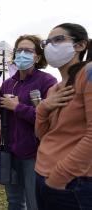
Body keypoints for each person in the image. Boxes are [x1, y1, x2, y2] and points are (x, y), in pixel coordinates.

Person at [0, 35, 57, 210]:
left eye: (28, 50)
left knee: (35, 203)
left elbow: (49, 118)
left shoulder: (47, 81)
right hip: (10, 151)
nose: (22, 54)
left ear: (38, 57)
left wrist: (18, 107)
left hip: (35, 154)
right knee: (14, 201)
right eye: (19, 50)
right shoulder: (8, 83)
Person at [35, 23, 92, 210]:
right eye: (47, 42)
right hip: (43, 174)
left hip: (73, 181)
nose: (51, 46)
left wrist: (59, 176)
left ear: (80, 45)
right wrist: (44, 107)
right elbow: (43, 135)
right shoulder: (54, 89)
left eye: (58, 39)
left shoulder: (88, 73)